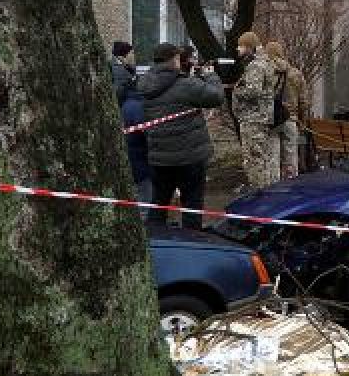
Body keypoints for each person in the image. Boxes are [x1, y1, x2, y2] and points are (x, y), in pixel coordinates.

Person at [138, 42, 225, 230]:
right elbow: (216, 97)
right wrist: (210, 75)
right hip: (190, 158)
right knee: (192, 206)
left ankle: (155, 244)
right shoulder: (186, 85)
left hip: (159, 158)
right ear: (174, 59)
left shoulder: (144, 85)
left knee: (159, 204)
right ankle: (191, 245)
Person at [233, 31, 280, 189]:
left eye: (240, 46)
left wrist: (236, 90)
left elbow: (253, 92)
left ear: (248, 47)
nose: (238, 49)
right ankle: (264, 192)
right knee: (261, 157)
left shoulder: (256, 66)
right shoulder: (263, 63)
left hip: (253, 119)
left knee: (254, 160)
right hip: (259, 118)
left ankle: (258, 195)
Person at [265, 41, 309, 180]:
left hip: (272, 120)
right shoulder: (295, 73)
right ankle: (290, 188)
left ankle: (274, 190)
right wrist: (302, 121)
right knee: (291, 159)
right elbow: (304, 101)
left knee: (273, 159)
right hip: (291, 119)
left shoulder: (266, 72)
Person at [119, 86, 153, 219]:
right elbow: (146, 134)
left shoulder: (125, 104)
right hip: (139, 164)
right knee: (145, 202)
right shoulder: (137, 107)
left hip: (131, 159)